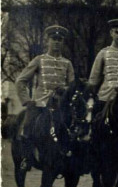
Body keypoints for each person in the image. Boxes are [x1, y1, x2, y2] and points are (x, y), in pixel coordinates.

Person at [15, 25, 75, 170]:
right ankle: (26, 157)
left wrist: (65, 90)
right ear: (47, 41)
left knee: (73, 128)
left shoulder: (67, 63)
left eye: (60, 40)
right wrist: (26, 101)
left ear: (63, 42)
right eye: (54, 39)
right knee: (27, 126)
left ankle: (69, 157)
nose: (56, 42)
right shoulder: (39, 60)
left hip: (59, 105)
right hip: (40, 103)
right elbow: (20, 81)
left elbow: (72, 86)